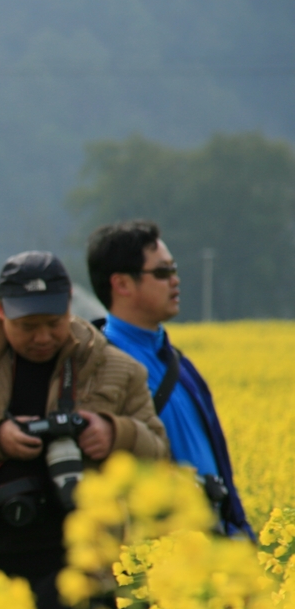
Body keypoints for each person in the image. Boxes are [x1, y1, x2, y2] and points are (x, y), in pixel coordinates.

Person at [0, 251, 168, 609]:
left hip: (79, 571)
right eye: (28, 326)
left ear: (68, 309)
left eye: (53, 323)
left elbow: (159, 450)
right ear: (1, 311)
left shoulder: (114, 368)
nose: (42, 337)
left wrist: (116, 432)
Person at [87, 220, 251, 537]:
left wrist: (240, 530)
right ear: (121, 284)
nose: (175, 281)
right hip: (158, 556)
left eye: (173, 270)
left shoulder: (179, 363)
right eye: (162, 273)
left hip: (214, 545)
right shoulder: (99, 367)